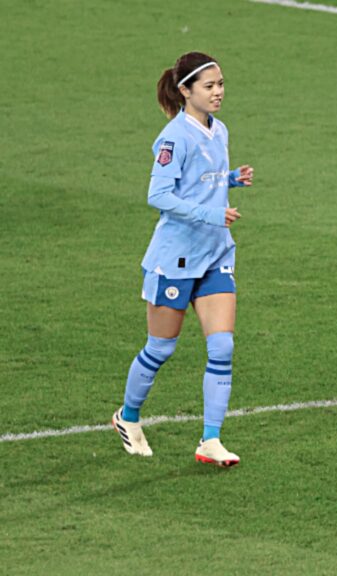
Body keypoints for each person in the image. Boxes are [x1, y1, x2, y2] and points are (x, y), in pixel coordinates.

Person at [112, 52, 253, 468]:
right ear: (185, 91)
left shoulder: (219, 130)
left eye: (221, 84)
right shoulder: (173, 138)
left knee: (222, 346)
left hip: (215, 254)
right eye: (209, 86)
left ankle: (211, 440)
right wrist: (212, 212)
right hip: (175, 259)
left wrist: (229, 181)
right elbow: (158, 196)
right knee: (161, 348)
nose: (218, 93)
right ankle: (129, 417)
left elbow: (200, 181)